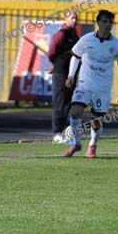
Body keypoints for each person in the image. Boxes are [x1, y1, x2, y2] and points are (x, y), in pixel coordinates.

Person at [63, 10, 118, 158]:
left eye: (110, 22)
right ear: (98, 23)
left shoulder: (117, 45)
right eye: (104, 21)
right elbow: (76, 57)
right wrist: (71, 75)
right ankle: (76, 143)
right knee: (75, 112)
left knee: (96, 121)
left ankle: (92, 144)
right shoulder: (86, 39)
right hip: (84, 84)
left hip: (102, 89)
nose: (107, 25)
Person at [47, 10, 80, 143]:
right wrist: (57, 65)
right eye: (72, 18)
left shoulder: (75, 35)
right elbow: (51, 52)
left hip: (71, 73)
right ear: (66, 19)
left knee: (68, 102)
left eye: (76, 18)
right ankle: (56, 132)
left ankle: (64, 130)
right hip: (60, 72)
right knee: (59, 102)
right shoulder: (61, 34)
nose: (75, 20)